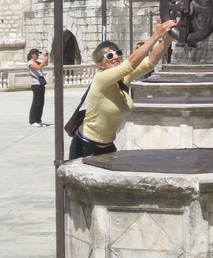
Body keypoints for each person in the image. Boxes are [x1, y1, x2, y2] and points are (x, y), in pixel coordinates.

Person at [68, 19, 176, 160]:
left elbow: (150, 62)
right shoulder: (101, 79)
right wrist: (156, 36)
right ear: (101, 65)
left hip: (107, 146)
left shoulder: (124, 78)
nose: (116, 57)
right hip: (85, 145)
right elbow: (131, 63)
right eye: (109, 56)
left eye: (118, 53)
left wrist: (170, 36)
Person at [26, 48, 49, 127]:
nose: (38, 55)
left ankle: (38, 120)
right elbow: (38, 68)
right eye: (36, 54)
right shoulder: (30, 63)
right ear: (32, 55)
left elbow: (45, 64)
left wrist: (46, 57)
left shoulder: (36, 62)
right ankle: (33, 121)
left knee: (41, 102)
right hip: (36, 85)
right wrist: (44, 60)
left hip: (41, 84)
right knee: (36, 103)